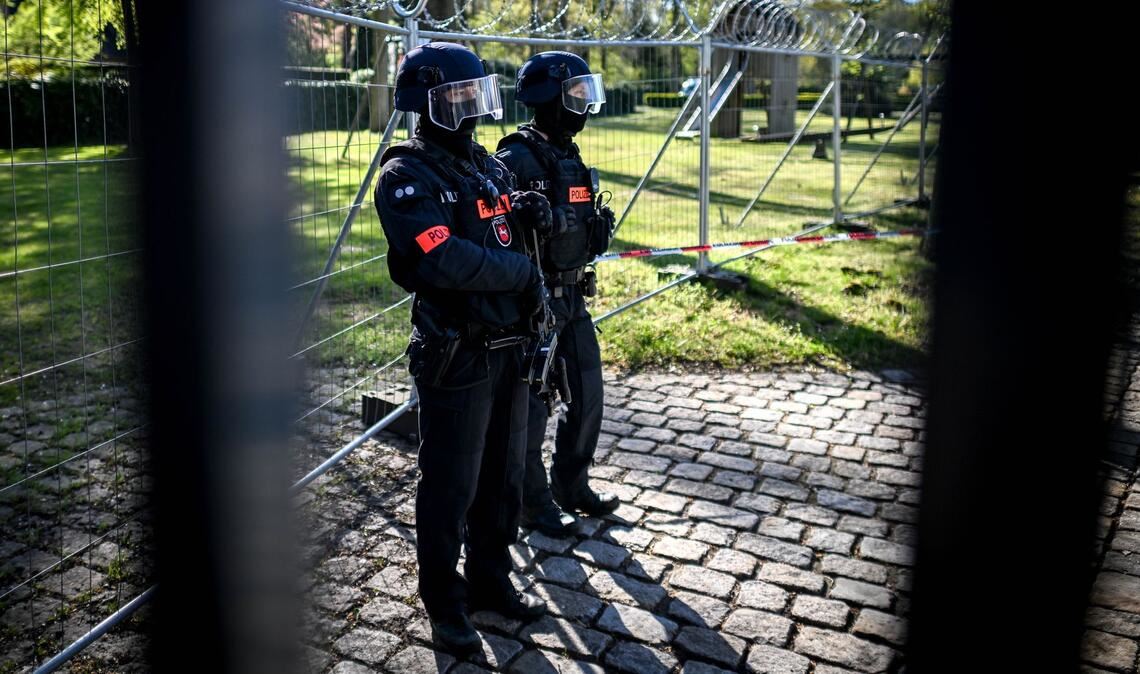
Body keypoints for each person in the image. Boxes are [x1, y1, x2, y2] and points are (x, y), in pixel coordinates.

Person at [374, 42, 554, 656]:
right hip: (459, 352)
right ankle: (445, 607)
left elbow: (500, 231)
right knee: (451, 484)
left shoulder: (484, 164)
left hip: (511, 347)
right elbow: (441, 257)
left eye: (478, 93)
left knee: (502, 480)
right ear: (426, 103)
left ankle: (489, 583)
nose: (473, 106)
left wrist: (530, 214)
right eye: (459, 96)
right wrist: (521, 275)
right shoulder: (406, 176)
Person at [495, 52, 619, 537]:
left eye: (586, 94)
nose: (584, 106)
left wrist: (594, 230)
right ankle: (533, 502)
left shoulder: (569, 154)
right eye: (575, 94)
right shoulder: (514, 158)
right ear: (547, 97)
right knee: (531, 408)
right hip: (534, 306)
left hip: (574, 299)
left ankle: (573, 485)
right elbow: (497, 231)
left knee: (589, 394)